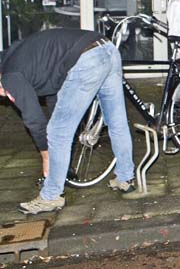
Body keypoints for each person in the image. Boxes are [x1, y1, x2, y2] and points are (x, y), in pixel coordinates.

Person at [0, 29, 135, 214]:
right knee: (116, 120)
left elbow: (34, 120)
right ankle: (125, 178)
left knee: (57, 132)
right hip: (106, 48)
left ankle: (50, 196)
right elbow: (54, 91)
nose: (4, 95)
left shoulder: (11, 76)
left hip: (86, 59)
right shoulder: (18, 57)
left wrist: (46, 156)